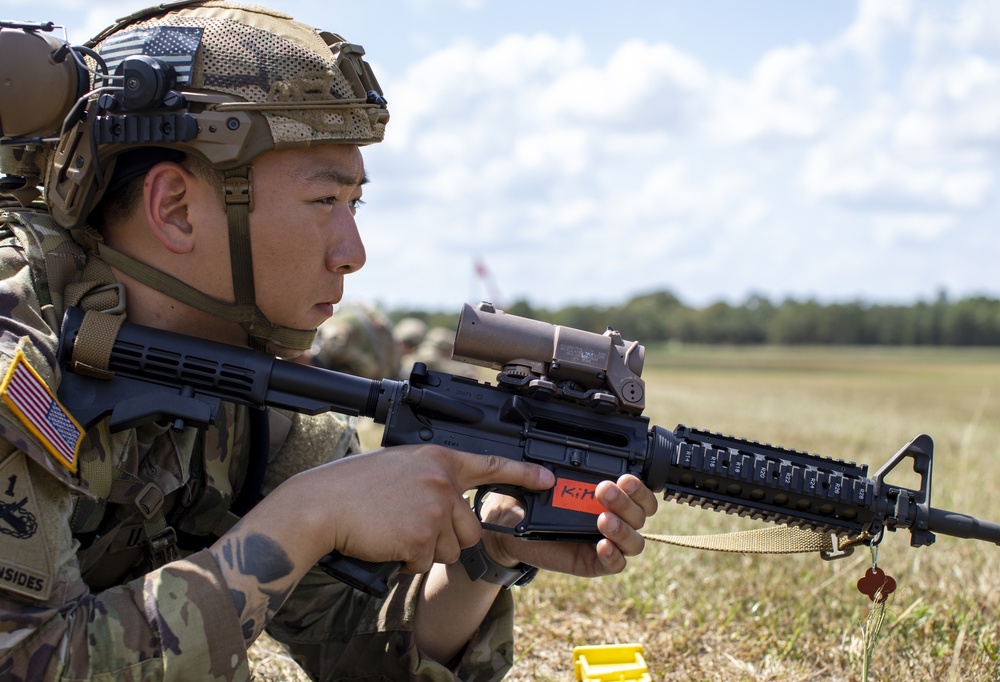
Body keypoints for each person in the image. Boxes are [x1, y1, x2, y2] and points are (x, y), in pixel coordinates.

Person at [0, 3, 657, 680]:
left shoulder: (256, 396)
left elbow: (362, 651)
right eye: (325, 202)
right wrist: (309, 516)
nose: (353, 253)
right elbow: (24, 662)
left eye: (356, 204)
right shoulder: (15, 352)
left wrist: (489, 552)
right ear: (175, 208)